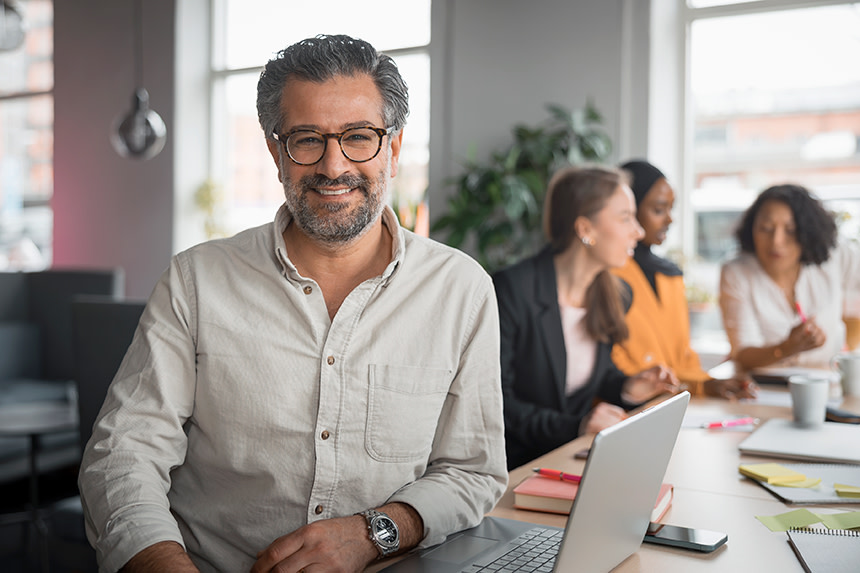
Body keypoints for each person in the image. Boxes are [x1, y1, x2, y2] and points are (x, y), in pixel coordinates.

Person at [78, 35, 507, 573]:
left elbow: (471, 472)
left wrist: (374, 533)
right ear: (275, 151)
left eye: (359, 137)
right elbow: (123, 454)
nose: (333, 166)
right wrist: (162, 562)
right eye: (307, 139)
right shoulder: (196, 279)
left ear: (393, 150)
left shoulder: (460, 289)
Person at [493, 165, 680, 471]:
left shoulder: (616, 295)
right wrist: (576, 426)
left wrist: (627, 388)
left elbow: (596, 376)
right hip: (514, 468)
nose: (639, 231)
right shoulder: (512, 290)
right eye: (625, 218)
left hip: (575, 461)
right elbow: (497, 405)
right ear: (585, 230)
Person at [611, 160, 756, 399]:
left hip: (677, 405)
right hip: (632, 406)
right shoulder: (609, 276)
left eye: (671, 209)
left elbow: (684, 359)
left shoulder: (670, 276)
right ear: (628, 209)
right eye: (659, 209)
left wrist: (708, 385)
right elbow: (618, 368)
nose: (670, 219)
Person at [720, 183, 860, 371]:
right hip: (762, 387)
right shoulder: (737, 272)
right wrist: (786, 348)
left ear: (807, 233)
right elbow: (743, 353)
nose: (776, 241)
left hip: (827, 381)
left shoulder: (834, 255)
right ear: (751, 229)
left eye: (791, 230)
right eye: (766, 228)